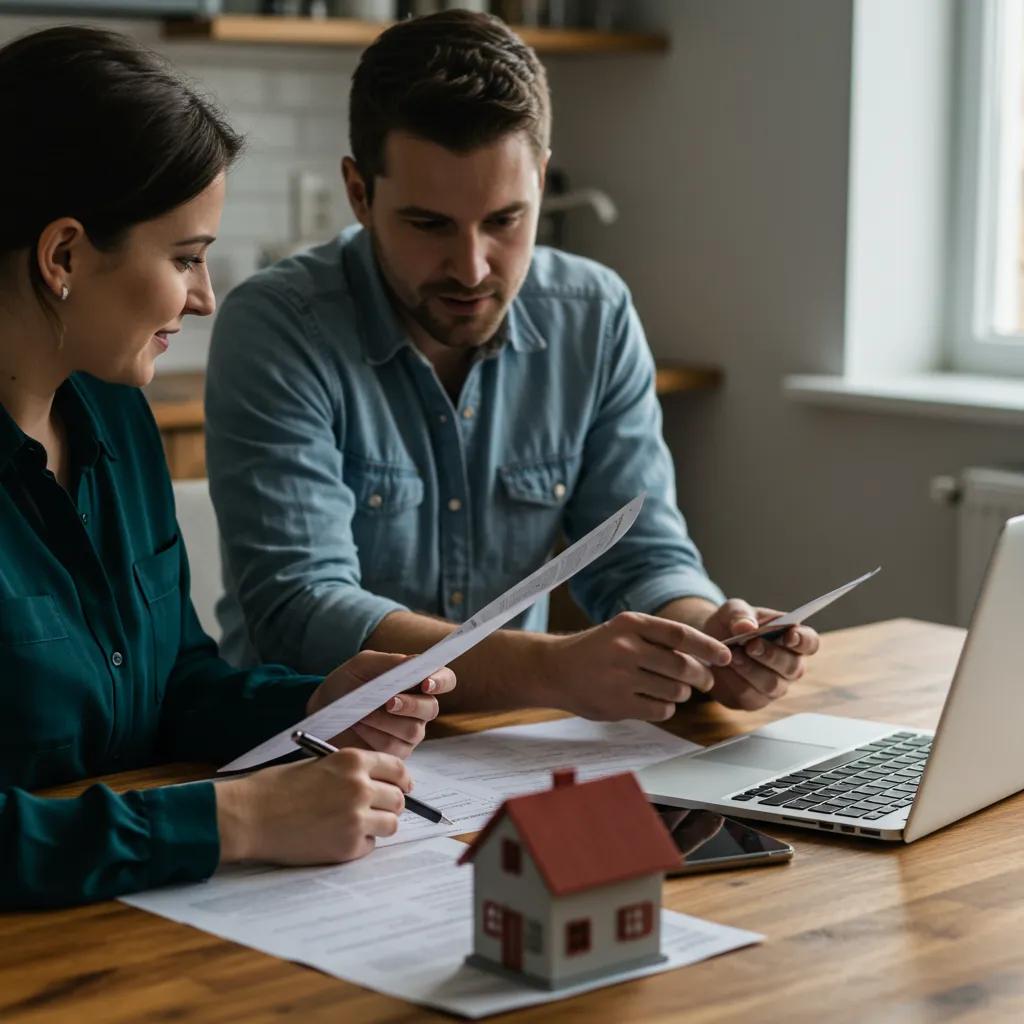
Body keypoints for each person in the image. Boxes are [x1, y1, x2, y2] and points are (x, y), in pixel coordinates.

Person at [206, 10, 819, 724]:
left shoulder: (593, 313)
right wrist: (554, 670)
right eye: (429, 224)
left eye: (505, 221)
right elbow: (302, 611)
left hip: (509, 748)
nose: (471, 268)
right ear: (359, 193)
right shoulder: (279, 326)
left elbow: (642, 556)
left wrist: (705, 639)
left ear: (541, 180)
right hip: (310, 752)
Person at [0, 26, 455, 911]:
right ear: (63, 257)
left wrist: (317, 705)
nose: (205, 297)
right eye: (184, 258)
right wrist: (233, 821)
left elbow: (169, 684)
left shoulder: (116, 418)